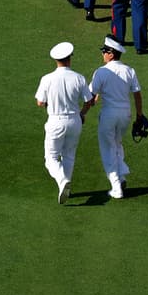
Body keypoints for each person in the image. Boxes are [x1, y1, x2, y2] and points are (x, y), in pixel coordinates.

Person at [35, 41, 93, 204]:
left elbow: (40, 102)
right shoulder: (79, 78)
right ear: (70, 58)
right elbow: (89, 101)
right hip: (75, 121)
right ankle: (64, 186)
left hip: (55, 120)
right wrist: (82, 114)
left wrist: (50, 103)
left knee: (51, 158)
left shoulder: (47, 78)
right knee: (69, 156)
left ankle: (62, 181)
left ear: (56, 60)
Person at [89, 37, 144, 199]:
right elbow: (137, 95)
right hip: (125, 115)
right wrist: (139, 115)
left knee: (107, 148)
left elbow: (90, 95)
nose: (103, 54)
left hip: (108, 115)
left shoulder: (101, 71)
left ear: (111, 54)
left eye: (105, 52)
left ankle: (116, 186)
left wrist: (87, 106)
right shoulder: (129, 70)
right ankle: (121, 176)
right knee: (116, 144)